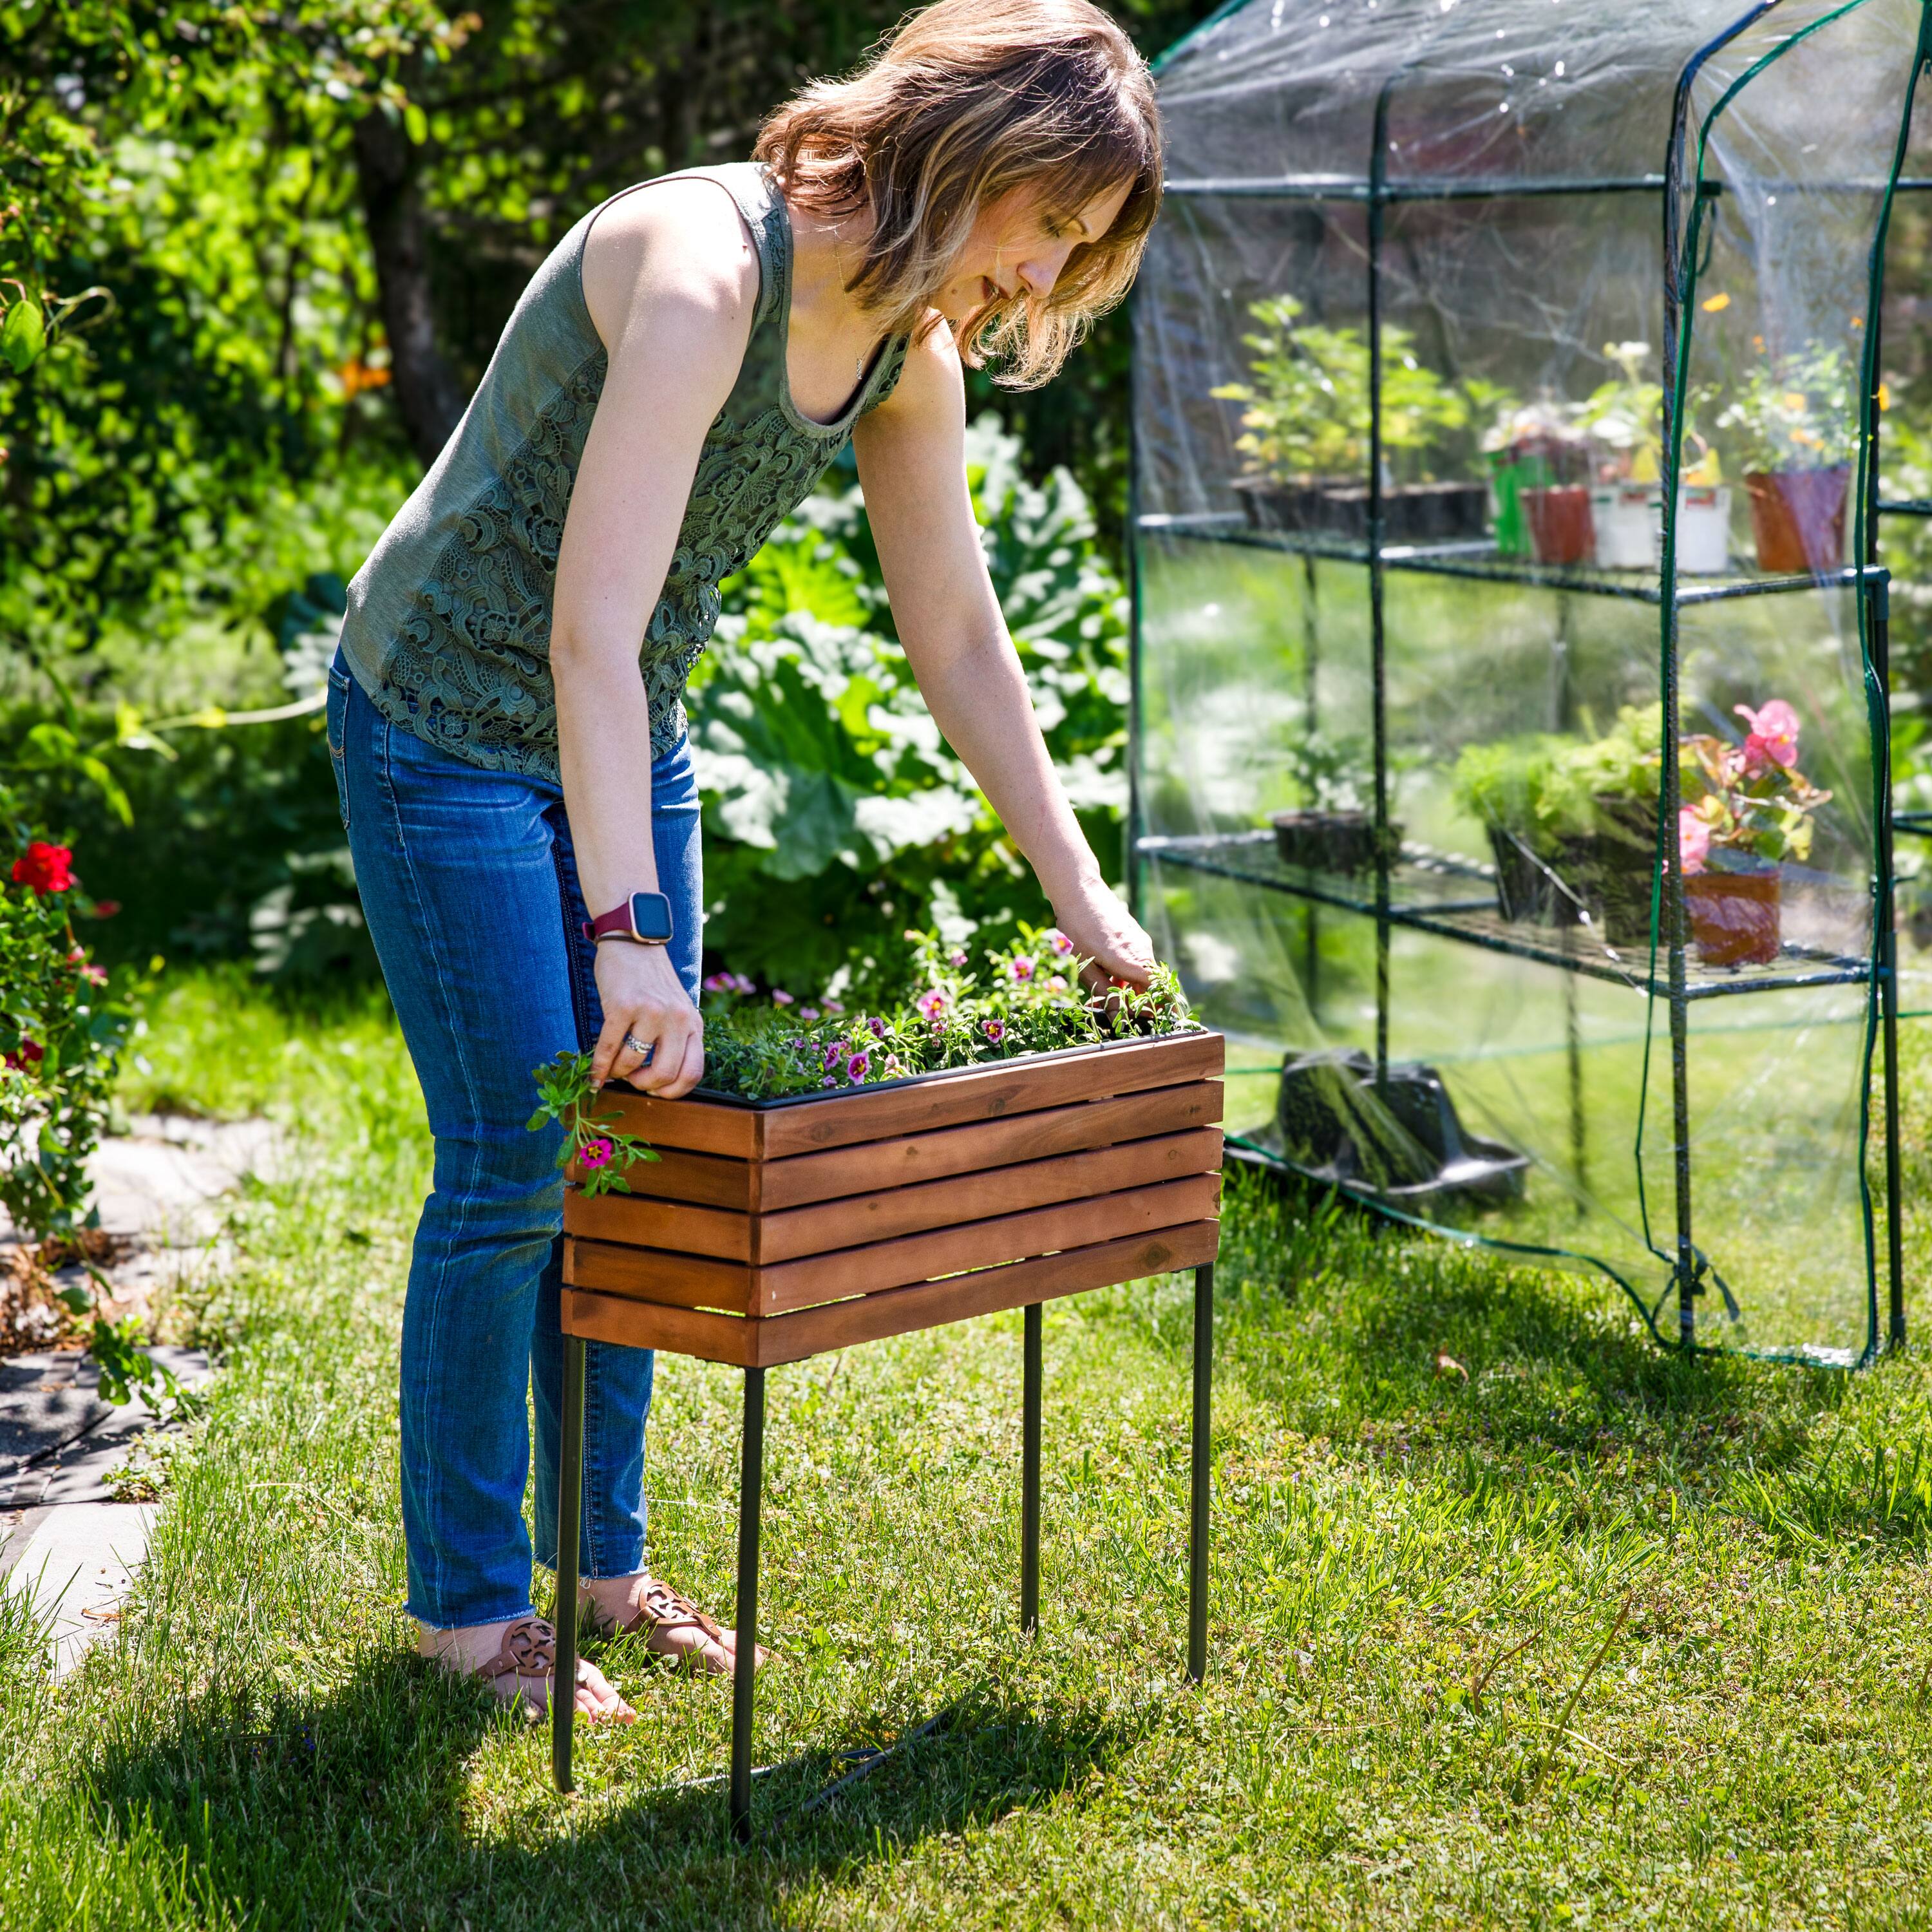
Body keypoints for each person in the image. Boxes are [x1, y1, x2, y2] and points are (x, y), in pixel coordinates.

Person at [328, 0, 1164, 1723]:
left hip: (622, 725)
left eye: (1082, 254)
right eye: (1048, 228)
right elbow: (587, 626)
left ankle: (605, 1569)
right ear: (977, 149)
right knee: (515, 1157)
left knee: (642, 1144)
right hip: (443, 719)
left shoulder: (902, 353)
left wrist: (1079, 893)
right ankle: (470, 1615)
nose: (1040, 281)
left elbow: (956, 636)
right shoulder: (705, 265)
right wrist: (626, 938)